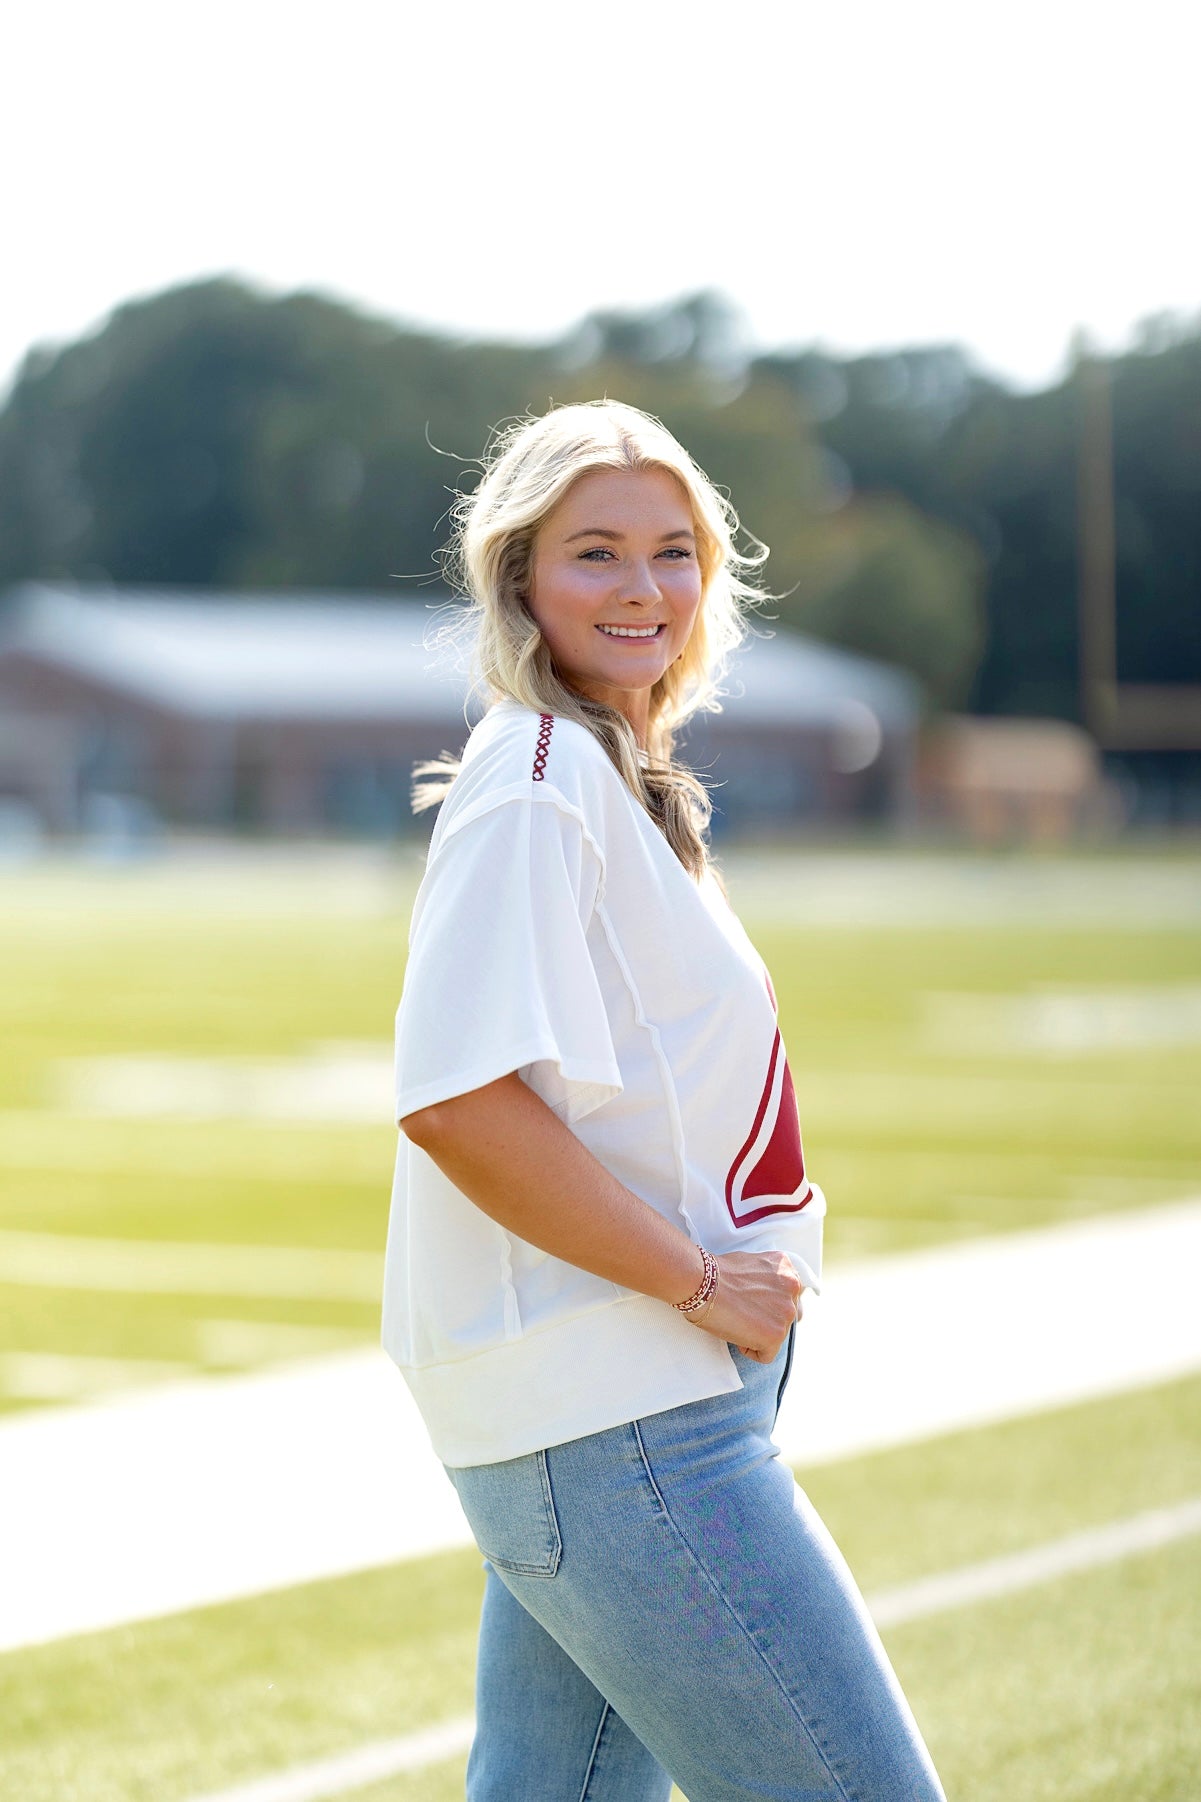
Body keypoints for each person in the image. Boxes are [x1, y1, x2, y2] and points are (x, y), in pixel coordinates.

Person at [382, 400, 946, 1801]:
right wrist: (700, 1282)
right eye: (594, 553)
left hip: (636, 1407)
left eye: (673, 551)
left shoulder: (603, 770)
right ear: (518, 576)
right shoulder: (532, 783)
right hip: (625, 1418)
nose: (642, 588)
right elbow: (459, 1102)